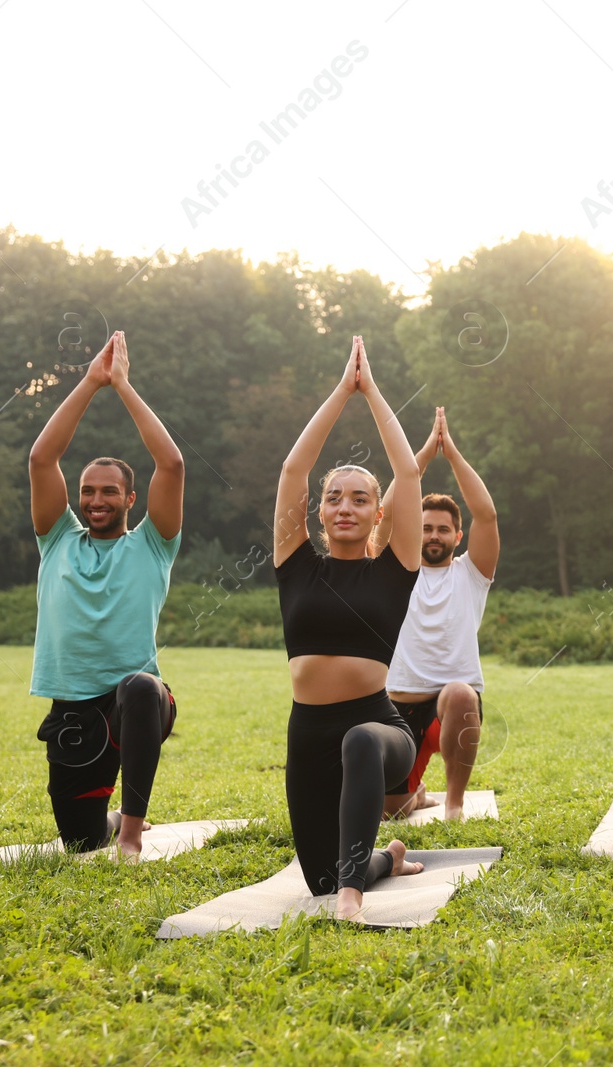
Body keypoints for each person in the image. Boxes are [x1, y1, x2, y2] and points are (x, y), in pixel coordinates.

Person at [274, 336, 423, 919]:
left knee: (360, 739)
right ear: (319, 510)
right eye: (334, 498)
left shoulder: (393, 570)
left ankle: (354, 898)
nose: (344, 507)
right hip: (306, 734)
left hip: (378, 731)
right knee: (319, 878)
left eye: (359, 499)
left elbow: (408, 473)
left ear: (376, 513)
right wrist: (341, 392)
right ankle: (385, 859)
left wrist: (374, 392)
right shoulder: (296, 566)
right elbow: (294, 468)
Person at [27, 330, 183, 858]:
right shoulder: (56, 539)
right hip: (73, 711)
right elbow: (42, 459)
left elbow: (173, 465)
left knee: (140, 686)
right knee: (78, 839)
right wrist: (91, 382)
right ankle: (111, 823)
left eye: (108, 491)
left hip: (134, 704)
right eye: (88, 490)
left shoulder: (153, 546)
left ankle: (133, 836)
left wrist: (123, 386)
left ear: (129, 498)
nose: (96, 500)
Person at [377, 406, 500, 823]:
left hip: (449, 709)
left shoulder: (472, 573)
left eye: (443, 529)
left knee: (462, 692)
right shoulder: (394, 571)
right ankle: (417, 793)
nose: (433, 535)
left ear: (457, 535)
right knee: (391, 814)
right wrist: (424, 455)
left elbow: (487, 513)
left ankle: (454, 803)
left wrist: (453, 456)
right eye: (426, 528)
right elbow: (389, 514)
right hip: (396, 707)